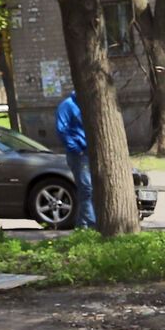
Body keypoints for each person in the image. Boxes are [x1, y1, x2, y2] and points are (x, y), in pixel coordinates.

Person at [53, 89, 95, 231]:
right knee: (86, 188)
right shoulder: (67, 105)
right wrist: (77, 148)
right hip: (79, 154)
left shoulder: (87, 104)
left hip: (90, 153)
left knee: (89, 189)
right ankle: (91, 223)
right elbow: (62, 130)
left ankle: (81, 224)